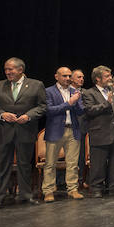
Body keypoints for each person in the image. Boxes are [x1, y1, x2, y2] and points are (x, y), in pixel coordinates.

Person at [0, 57, 47, 208]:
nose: (7, 72)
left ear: (21, 70)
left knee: (24, 165)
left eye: (11, 69)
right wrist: (2, 115)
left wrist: (29, 116)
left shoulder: (36, 85)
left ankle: (25, 195)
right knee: (2, 166)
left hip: (25, 131)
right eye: (6, 69)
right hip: (4, 131)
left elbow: (42, 106)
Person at [82, 66, 114, 197]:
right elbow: (90, 110)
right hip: (100, 132)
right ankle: (96, 188)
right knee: (98, 162)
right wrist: (107, 104)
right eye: (107, 76)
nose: (110, 78)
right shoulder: (89, 93)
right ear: (98, 78)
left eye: (110, 75)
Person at [42, 67, 85, 202]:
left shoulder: (75, 91)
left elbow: (80, 111)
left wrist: (77, 102)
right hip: (55, 131)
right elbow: (49, 110)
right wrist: (69, 103)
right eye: (64, 76)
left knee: (72, 163)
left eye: (69, 76)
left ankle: (72, 189)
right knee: (50, 163)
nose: (67, 78)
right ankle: (48, 190)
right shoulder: (49, 91)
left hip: (72, 130)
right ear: (57, 76)